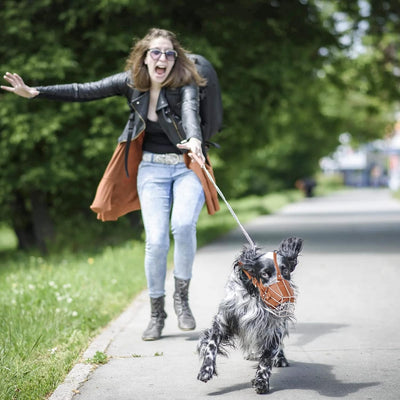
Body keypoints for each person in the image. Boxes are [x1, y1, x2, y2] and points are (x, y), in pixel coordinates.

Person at [1, 27, 220, 341]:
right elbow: (83, 89)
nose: (163, 59)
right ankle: (157, 313)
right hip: (151, 170)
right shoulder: (129, 82)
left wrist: (195, 138)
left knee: (183, 226)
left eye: (169, 53)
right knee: (156, 240)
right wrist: (36, 92)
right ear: (144, 58)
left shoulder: (185, 83)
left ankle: (181, 298)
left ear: (175, 59)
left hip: (186, 166)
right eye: (156, 52)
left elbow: (190, 111)